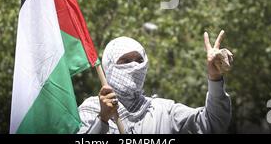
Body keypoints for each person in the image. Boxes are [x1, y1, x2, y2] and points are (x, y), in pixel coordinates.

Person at [77, 30, 233, 134]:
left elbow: (213, 123)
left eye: (139, 60)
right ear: (109, 66)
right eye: (125, 61)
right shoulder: (91, 110)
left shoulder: (163, 111)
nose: (134, 66)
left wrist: (214, 78)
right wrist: (102, 119)